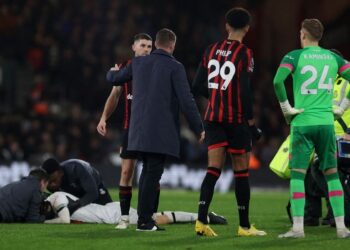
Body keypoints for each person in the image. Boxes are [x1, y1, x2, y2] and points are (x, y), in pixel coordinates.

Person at [106, 28, 204, 231]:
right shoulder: (175, 67)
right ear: (172, 45)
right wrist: (198, 127)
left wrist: (112, 72)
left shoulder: (138, 63)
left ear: (156, 44)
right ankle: (144, 220)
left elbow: (114, 79)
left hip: (137, 131)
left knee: (147, 174)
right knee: (152, 174)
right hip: (159, 132)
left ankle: (145, 217)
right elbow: (187, 101)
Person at [273, 18, 350, 238]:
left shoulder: (294, 56)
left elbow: (278, 82)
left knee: (298, 176)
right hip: (326, 123)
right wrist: (342, 106)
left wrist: (287, 108)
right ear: (321, 36)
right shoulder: (334, 57)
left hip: (303, 123)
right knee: (332, 175)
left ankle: (298, 229)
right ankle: (342, 228)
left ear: (303, 34)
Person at [192, 7, 265, 237]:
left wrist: (216, 96)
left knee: (213, 170)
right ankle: (244, 227)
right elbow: (244, 91)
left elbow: (196, 87)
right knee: (241, 173)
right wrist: (251, 124)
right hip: (236, 121)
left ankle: (201, 222)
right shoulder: (245, 53)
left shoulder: (210, 49)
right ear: (247, 28)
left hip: (213, 118)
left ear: (226, 26)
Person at [97, 33, 153, 229]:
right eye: (143, 45)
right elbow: (115, 95)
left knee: (152, 174)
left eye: (149, 46)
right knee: (127, 171)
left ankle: (149, 216)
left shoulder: (156, 68)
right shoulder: (124, 69)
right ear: (134, 47)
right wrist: (104, 117)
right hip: (130, 128)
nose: (147, 49)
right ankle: (124, 218)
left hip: (152, 129)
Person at [42, 191, 227, 226]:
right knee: (156, 217)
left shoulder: (57, 197)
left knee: (157, 218)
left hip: (112, 214)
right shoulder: (56, 198)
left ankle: (204, 216)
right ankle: (203, 216)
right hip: (109, 212)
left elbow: (64, 220)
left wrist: (44, 221)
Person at [41, 158, 112, 214]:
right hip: (74, 189)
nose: (52, 184)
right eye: (49, 182)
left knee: (109, 211)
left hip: (95, 186)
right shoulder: (49, 183)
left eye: (54, 180)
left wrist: (75, 205)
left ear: (61, 173)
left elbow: (93, 193)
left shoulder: (76, 169)